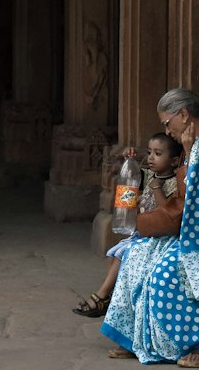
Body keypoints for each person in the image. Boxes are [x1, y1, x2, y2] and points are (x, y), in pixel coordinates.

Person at [101, 87, 199, 368]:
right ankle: (135, 337)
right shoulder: (190, 147)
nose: (167, 131)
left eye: (167, 123)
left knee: (163, 274)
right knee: (136, 256)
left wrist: (190, 151)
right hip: (191, 227)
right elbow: (176, 192)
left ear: (183, 114)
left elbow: (198, 198)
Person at [71, 133, 184, 318]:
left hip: (161, 237)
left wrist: (156, 188)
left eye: (157, 153)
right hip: (144, 233)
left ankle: (101, 298)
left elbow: (168, 213)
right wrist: (129, 159)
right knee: (112, 255)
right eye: (149, 152)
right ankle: (112, 300)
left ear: (173, 162)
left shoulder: (174, 183)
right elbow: (133, 177)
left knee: (122, 255)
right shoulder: (149, 175)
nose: (151, 158)